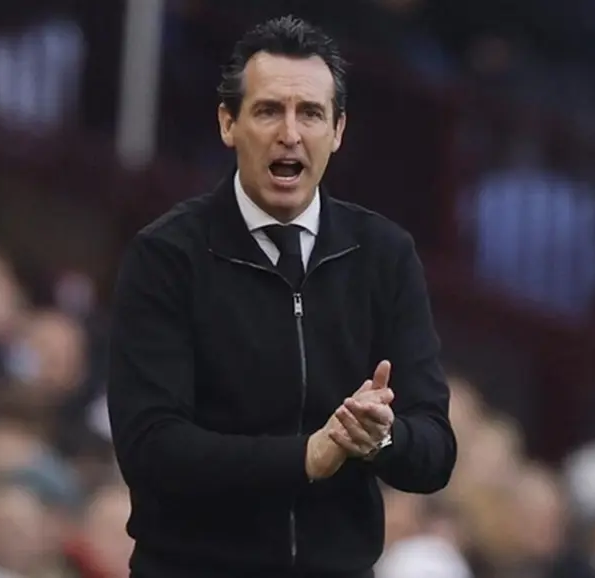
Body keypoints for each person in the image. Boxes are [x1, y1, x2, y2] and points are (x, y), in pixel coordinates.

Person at [107, 15, 457, 578]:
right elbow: (151, 449)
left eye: (310, 113)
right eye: (269, 110)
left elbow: (436, 451)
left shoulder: (384, 255)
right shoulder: (167, 256)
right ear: (228, 123)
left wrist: (380, 438)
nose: (290, 133)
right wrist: (305, 458)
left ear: (338, 131)